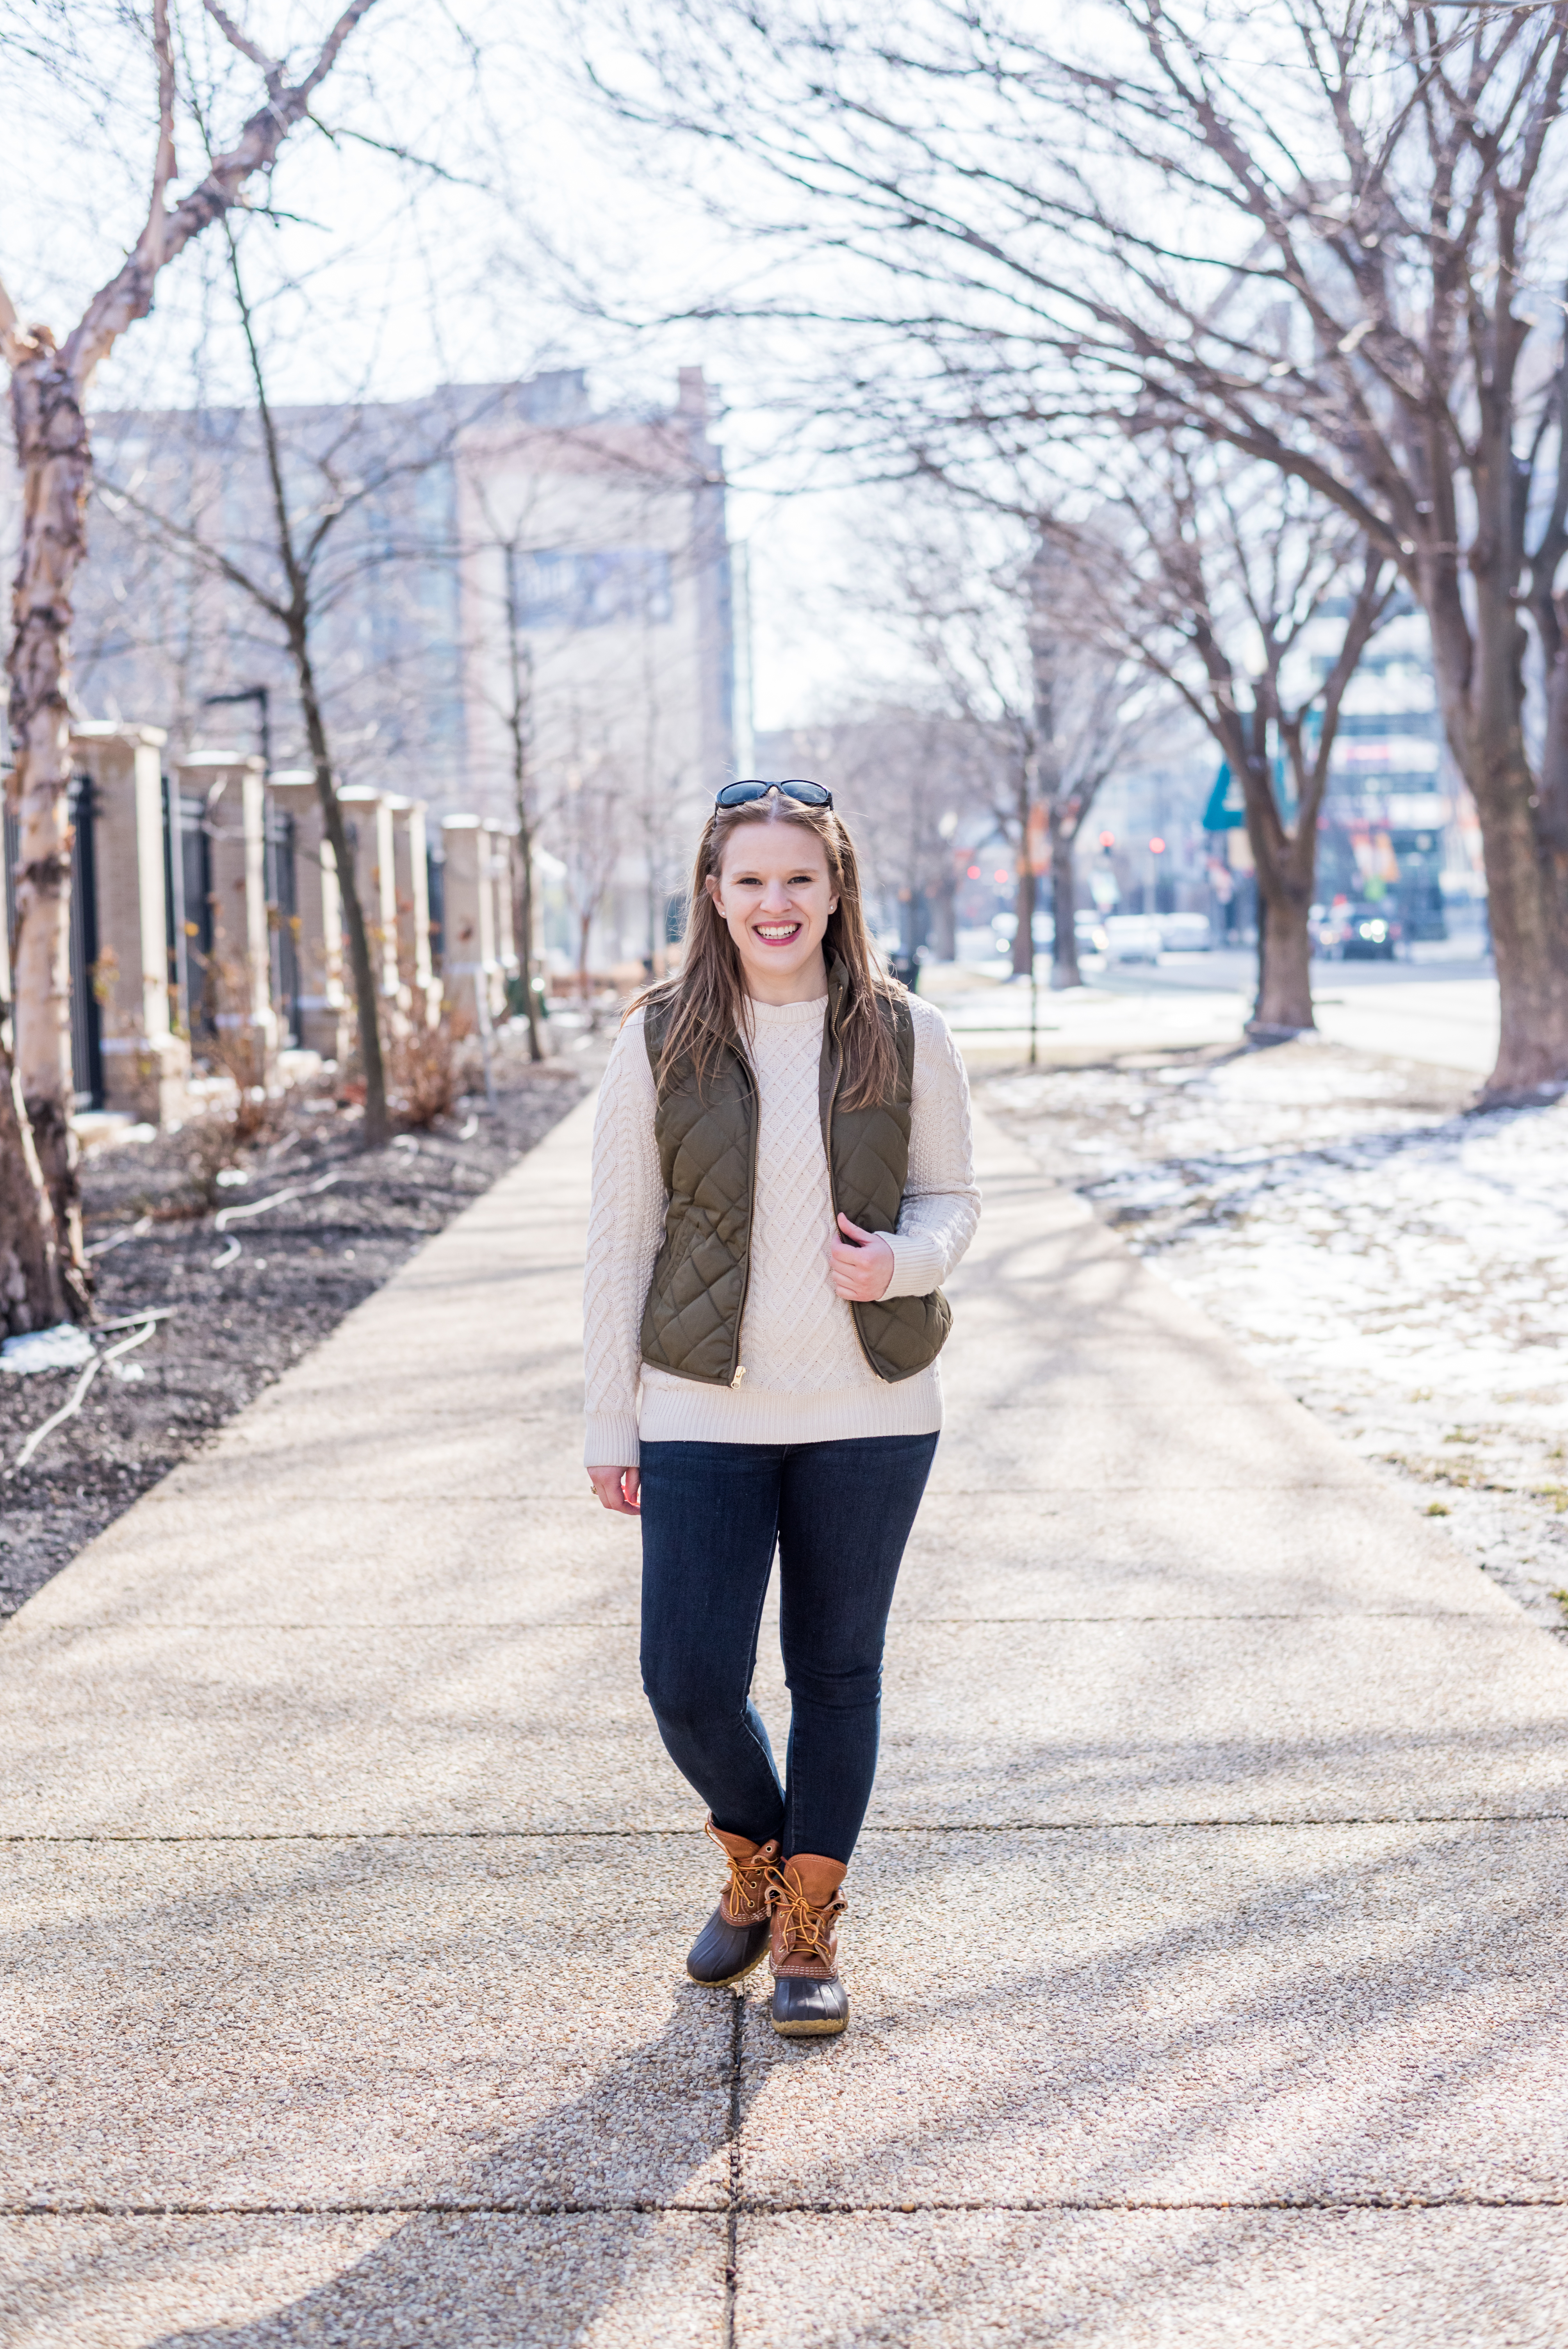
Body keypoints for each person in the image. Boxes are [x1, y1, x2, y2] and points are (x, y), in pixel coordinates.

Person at [583, 780, 979, 2037]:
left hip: (873, 1405)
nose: (775, 902)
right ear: (714, 895)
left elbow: (952, 1201)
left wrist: (902, 1264)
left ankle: (806, 1924)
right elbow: (617, 1241)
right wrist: (611, 1419)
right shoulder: (660, 1038)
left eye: (798, 879)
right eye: (749, 880)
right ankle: (754, 1854)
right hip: (704, 1404)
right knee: (687, 1677)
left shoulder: (906, 1033)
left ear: (837, 889)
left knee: (837, 1670)